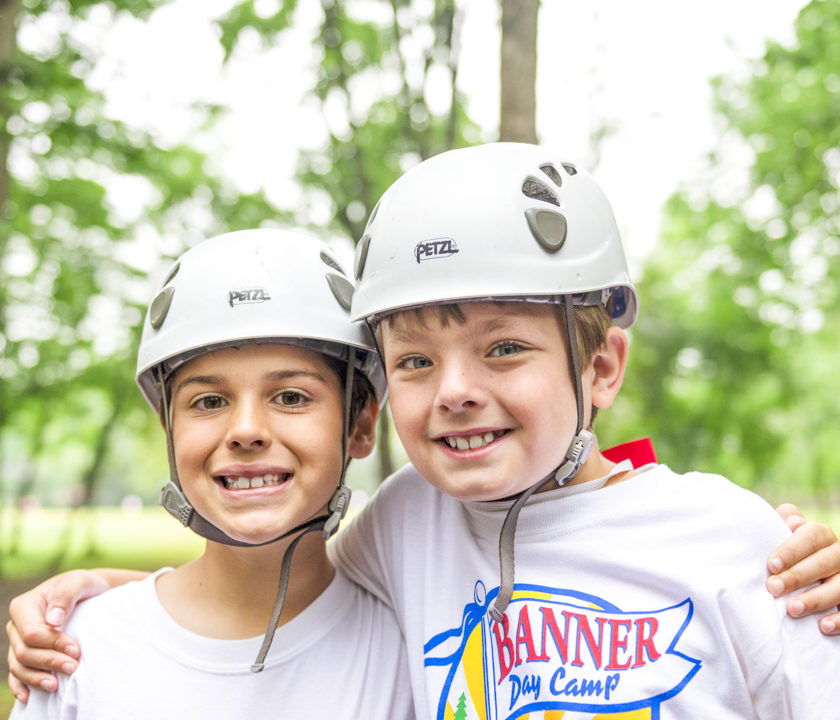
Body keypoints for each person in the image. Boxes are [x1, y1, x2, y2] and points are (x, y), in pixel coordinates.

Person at [6, 145, 840, 714]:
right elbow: (267, 577)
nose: (456, 392)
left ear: (602, 370)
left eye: (504, 350)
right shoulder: (408, 524)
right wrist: (90, 594)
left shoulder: (743, 548)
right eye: (413, 362)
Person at [8, 229, 414, 718]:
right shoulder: (78, 653)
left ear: (361, 424)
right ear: (170, 429)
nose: (246, 430)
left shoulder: (416, 652)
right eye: (210, 401)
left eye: (291, 397)